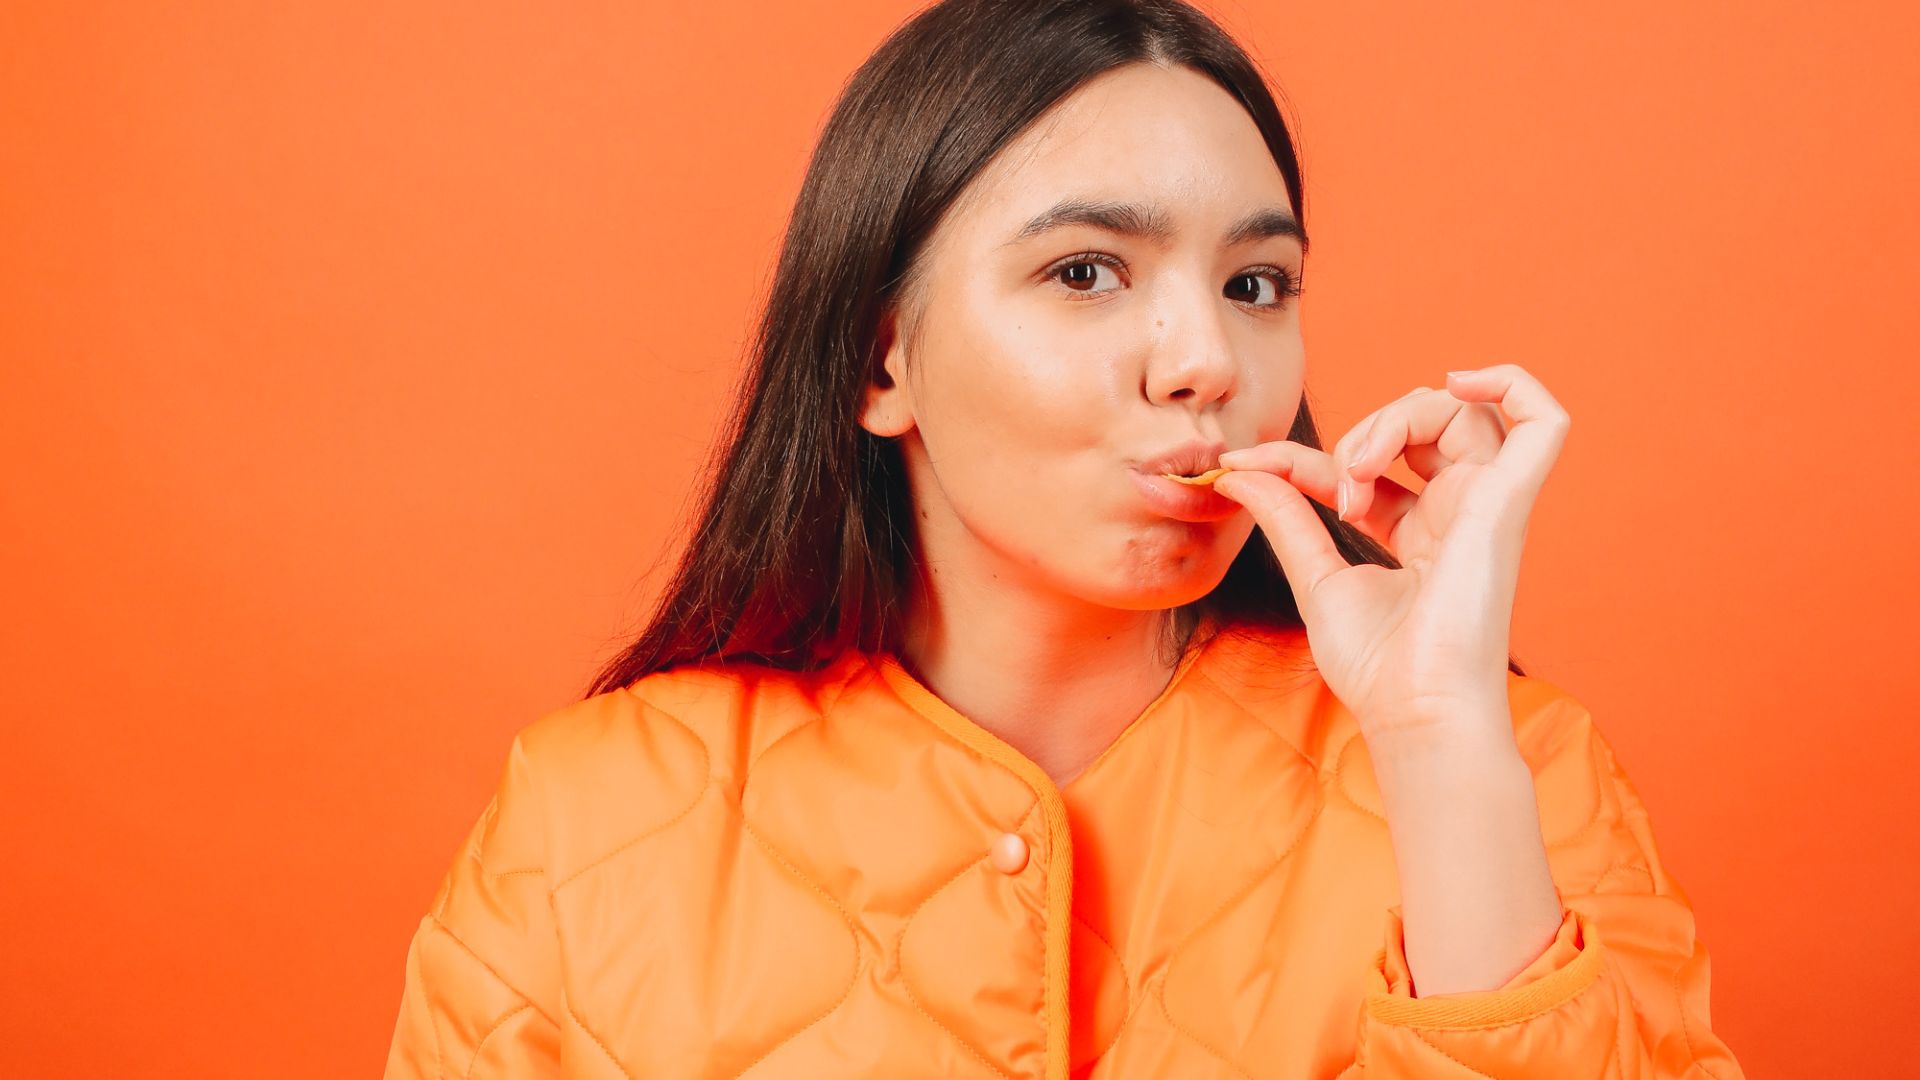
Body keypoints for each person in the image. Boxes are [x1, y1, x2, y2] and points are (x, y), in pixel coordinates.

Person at [383, 1, 1746, 1076]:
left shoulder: (1517, 775)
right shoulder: (584, 825)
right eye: (1086, 271)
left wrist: (1443, 744)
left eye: (1255, 283)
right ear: (881, 358)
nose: (1206, 359)